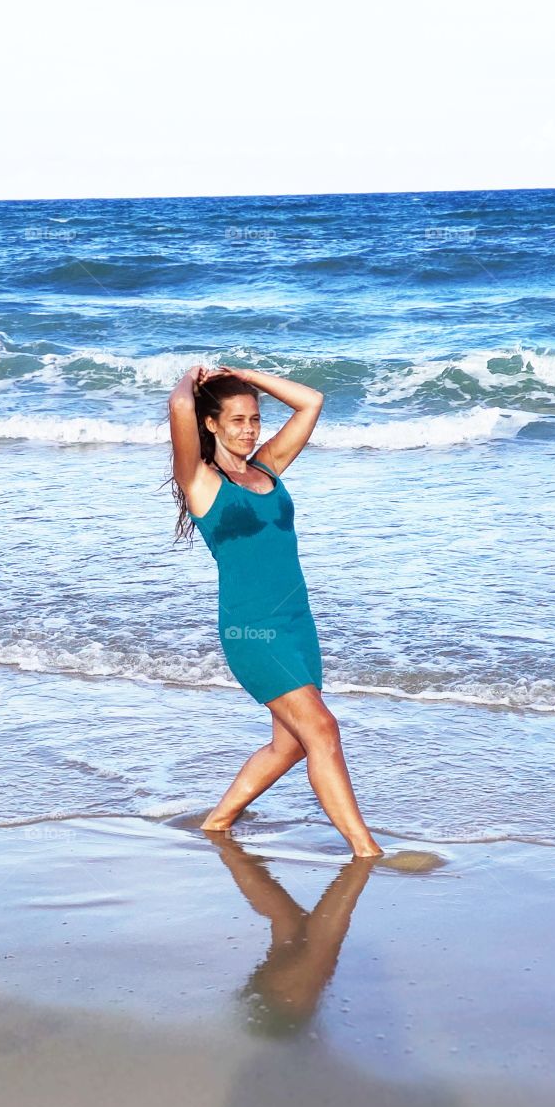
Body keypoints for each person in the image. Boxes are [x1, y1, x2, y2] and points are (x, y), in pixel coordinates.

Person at [168, 363, 384, 859]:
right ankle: (365, 849)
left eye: (254, 420)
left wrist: (245, 374)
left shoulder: (266, 467)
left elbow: (311, 401)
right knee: (323, 728)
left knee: (289, 745)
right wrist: (191, 378)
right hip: (252, 630)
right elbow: (181, 405)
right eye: (236, 420)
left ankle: (219, 821)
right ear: (211, 425)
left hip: (296, 625)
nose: (248, 430)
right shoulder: (200, 481)